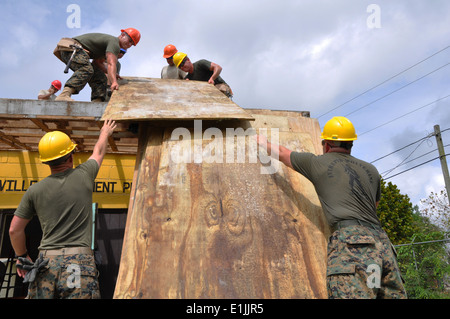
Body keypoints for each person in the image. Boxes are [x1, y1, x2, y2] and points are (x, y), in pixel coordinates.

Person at [256, 116, 407, 299]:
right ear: (351, 144)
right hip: (382, 247)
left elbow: (282, 152)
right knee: (377, 291)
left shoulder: (318, 163)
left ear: (326, 144)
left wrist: (261, 141)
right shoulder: (371, 170)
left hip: (353, 245)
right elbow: (373, 207)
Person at [9, 119, 117, 299]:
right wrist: (105, 132)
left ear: (46, 162)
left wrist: (22, 257)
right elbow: (98, 151)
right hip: (79, 263)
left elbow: (14, 230)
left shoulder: (34, 191)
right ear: (71, 156)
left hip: (46, 264)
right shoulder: (84, 175)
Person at [53, 28, 141, 102]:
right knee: (86, 69)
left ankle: (97, 102)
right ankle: (64, 95)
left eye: (132, 44)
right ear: (122, 35)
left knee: (100, 78)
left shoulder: (108, 45)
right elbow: (111, 63)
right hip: (72, 48)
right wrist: (114, 82)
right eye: (129, 41)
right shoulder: (114, 42)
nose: (129, 45)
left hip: (75, 51)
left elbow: (97, 62)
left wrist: (112, 74)